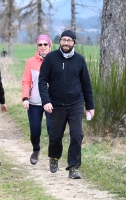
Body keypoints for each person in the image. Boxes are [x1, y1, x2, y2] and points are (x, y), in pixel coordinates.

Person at [38, 30, 95, 179]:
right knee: (56, 136)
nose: (66, 43)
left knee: (77, 135)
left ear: (74, 42)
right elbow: (42, 81)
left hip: (75, 103)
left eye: (69, 40)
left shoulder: (80, 60)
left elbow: (86, 84)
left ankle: (74, 167)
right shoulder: (50, 58)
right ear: (60, 42)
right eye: (63, 40)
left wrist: (90, 106)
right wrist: (46, 101)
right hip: (55, 104)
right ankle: (54, 157)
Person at [22, 35, 52, 165]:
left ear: (50, 46)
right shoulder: (30, 62)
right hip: (34, 102)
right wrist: (25, 98)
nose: (43, 47)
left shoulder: (55, 60)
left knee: (52, 130)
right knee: (35, 131)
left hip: (52, 102)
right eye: (40, 44)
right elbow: (26, 81)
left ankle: (53, 156)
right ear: (37, 47)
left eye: (46, 44)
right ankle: (36, 149)